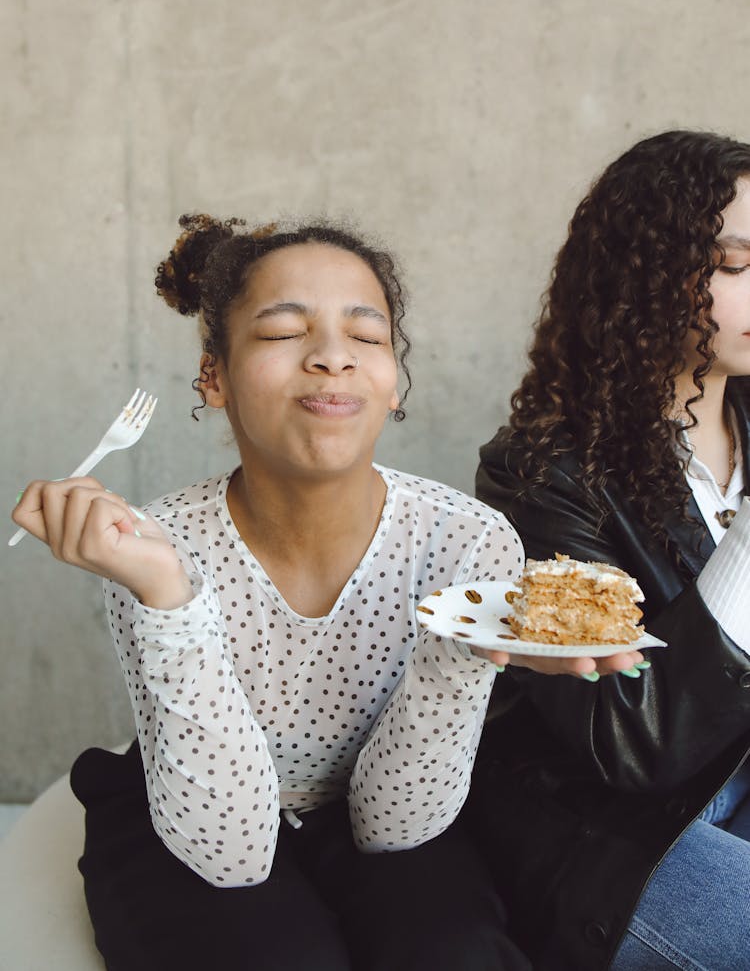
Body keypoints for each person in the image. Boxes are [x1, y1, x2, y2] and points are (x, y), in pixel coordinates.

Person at [12, 215, 638, 971]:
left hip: (378, 801)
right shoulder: (152, 548)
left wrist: (459, 655)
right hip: (194, 809)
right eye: (282, 333)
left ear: (394, 381)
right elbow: (231, 853)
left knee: (457, 954)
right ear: (214, 376)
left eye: (367, 338)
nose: (333, 357)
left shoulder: (467, 542)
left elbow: (395, 825)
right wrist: (167, 595)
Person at [469, 130, 750, 971]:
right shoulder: (541, 470)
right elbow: (632, 742)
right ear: (646, 270)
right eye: (736, 263)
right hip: (617, 844)